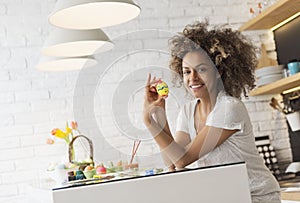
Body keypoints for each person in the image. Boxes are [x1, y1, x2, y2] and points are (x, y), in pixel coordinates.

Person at [142, 21, 281, 203]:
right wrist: (159, 115)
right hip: (227, 197)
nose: (193, 78)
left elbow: (183, 159)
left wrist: (148, 121)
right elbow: (172, 162)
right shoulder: (188, 111)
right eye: (186, 72)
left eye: (201, 69)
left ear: (218, 71)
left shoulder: (228, 108)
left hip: (256, 197)